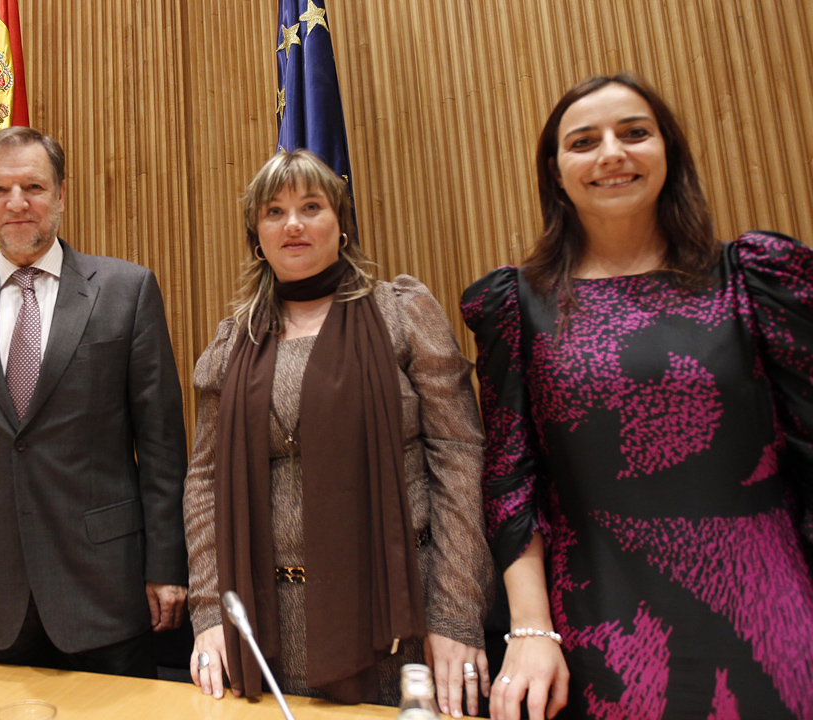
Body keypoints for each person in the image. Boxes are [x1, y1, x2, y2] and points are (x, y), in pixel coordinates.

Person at [463, 72, 813, 720]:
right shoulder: (519, 307)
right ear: (556, 170)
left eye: (634, 133)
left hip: (770, 610)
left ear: (669, 152)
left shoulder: (755, 279)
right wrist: (531, 632)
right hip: (606, 621)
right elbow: (511, 482)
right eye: (584, 141)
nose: (611, 154)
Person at [184, 149, 493, 715]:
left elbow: (461, 460)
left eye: (311, 206)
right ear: (257, 235)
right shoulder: (233, 343)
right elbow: (203, 482)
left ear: (342, 223)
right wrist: (210, 614)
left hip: (400, 613)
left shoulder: (401, 315)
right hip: (267, 628)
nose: (293, 224)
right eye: (274, 212)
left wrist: (456, 613)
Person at [0, 126, 188, 678]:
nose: (16, 203)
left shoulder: (127, 291)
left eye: (33, 187)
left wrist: (166, 565)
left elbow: (161, 447)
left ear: (60, 195)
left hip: (106, 586)